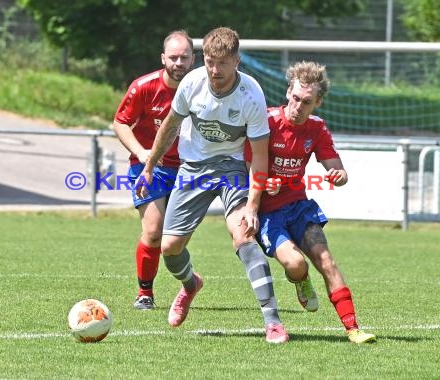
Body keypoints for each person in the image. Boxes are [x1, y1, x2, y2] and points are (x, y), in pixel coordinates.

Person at [138, 27, 289, 344]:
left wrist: (252, 205)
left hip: (232, 167)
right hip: (192, 168)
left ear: (237, 60)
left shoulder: (251, 94)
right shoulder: (192, 84)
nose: (214, 71)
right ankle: (191, 284)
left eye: (221, 63)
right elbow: (169, 127)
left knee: (244, 233)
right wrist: (149, 166)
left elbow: (260, 155)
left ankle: (273, 322)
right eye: (209, 62)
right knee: (169, 247)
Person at [254, 60, 376, 344]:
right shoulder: (266, 121)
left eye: (306, 102)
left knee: (327, 260)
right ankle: (301, 279)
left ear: (317, 102)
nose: (298, 107)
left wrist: (339, 175)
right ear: (288, 92)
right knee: (296, 265)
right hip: (268, 213)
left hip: (299, 207)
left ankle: (353, 329)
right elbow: (246, 165)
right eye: (295, 98)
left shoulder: (317, 129)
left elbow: (338, 170)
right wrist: (262, 183)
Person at [113, 30, 195, 310]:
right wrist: (142, 153)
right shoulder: (144, 87)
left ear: (193, 59)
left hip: (188, 171)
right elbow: (120, 123)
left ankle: (190, 281)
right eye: (173, 57)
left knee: (175, 241)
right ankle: (144, 293)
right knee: (153, 229)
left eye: (184, 57)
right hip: (150, 167)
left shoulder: (204, 90)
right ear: (163, 58)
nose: (178, 62)